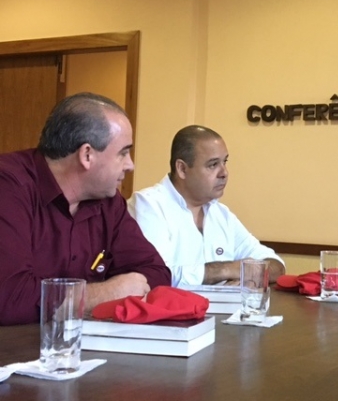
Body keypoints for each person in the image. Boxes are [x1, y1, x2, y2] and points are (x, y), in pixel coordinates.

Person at [0, 92, 172, 326]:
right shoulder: (9, 186)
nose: (130, 165)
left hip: (83, 344)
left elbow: (157, 273)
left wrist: (73, 300)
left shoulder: (108, 200)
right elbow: (10, 300)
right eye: (123, 153)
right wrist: (107, 293)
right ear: (87, 155)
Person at [128, 125, 285, 287]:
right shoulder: (148, 205)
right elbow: (156, 276)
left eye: (225, 162)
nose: (224, 173)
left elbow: (276, 266)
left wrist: (245, 277)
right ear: (182, 169)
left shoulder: (221, 214)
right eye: (213, 165)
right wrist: (227, 270)